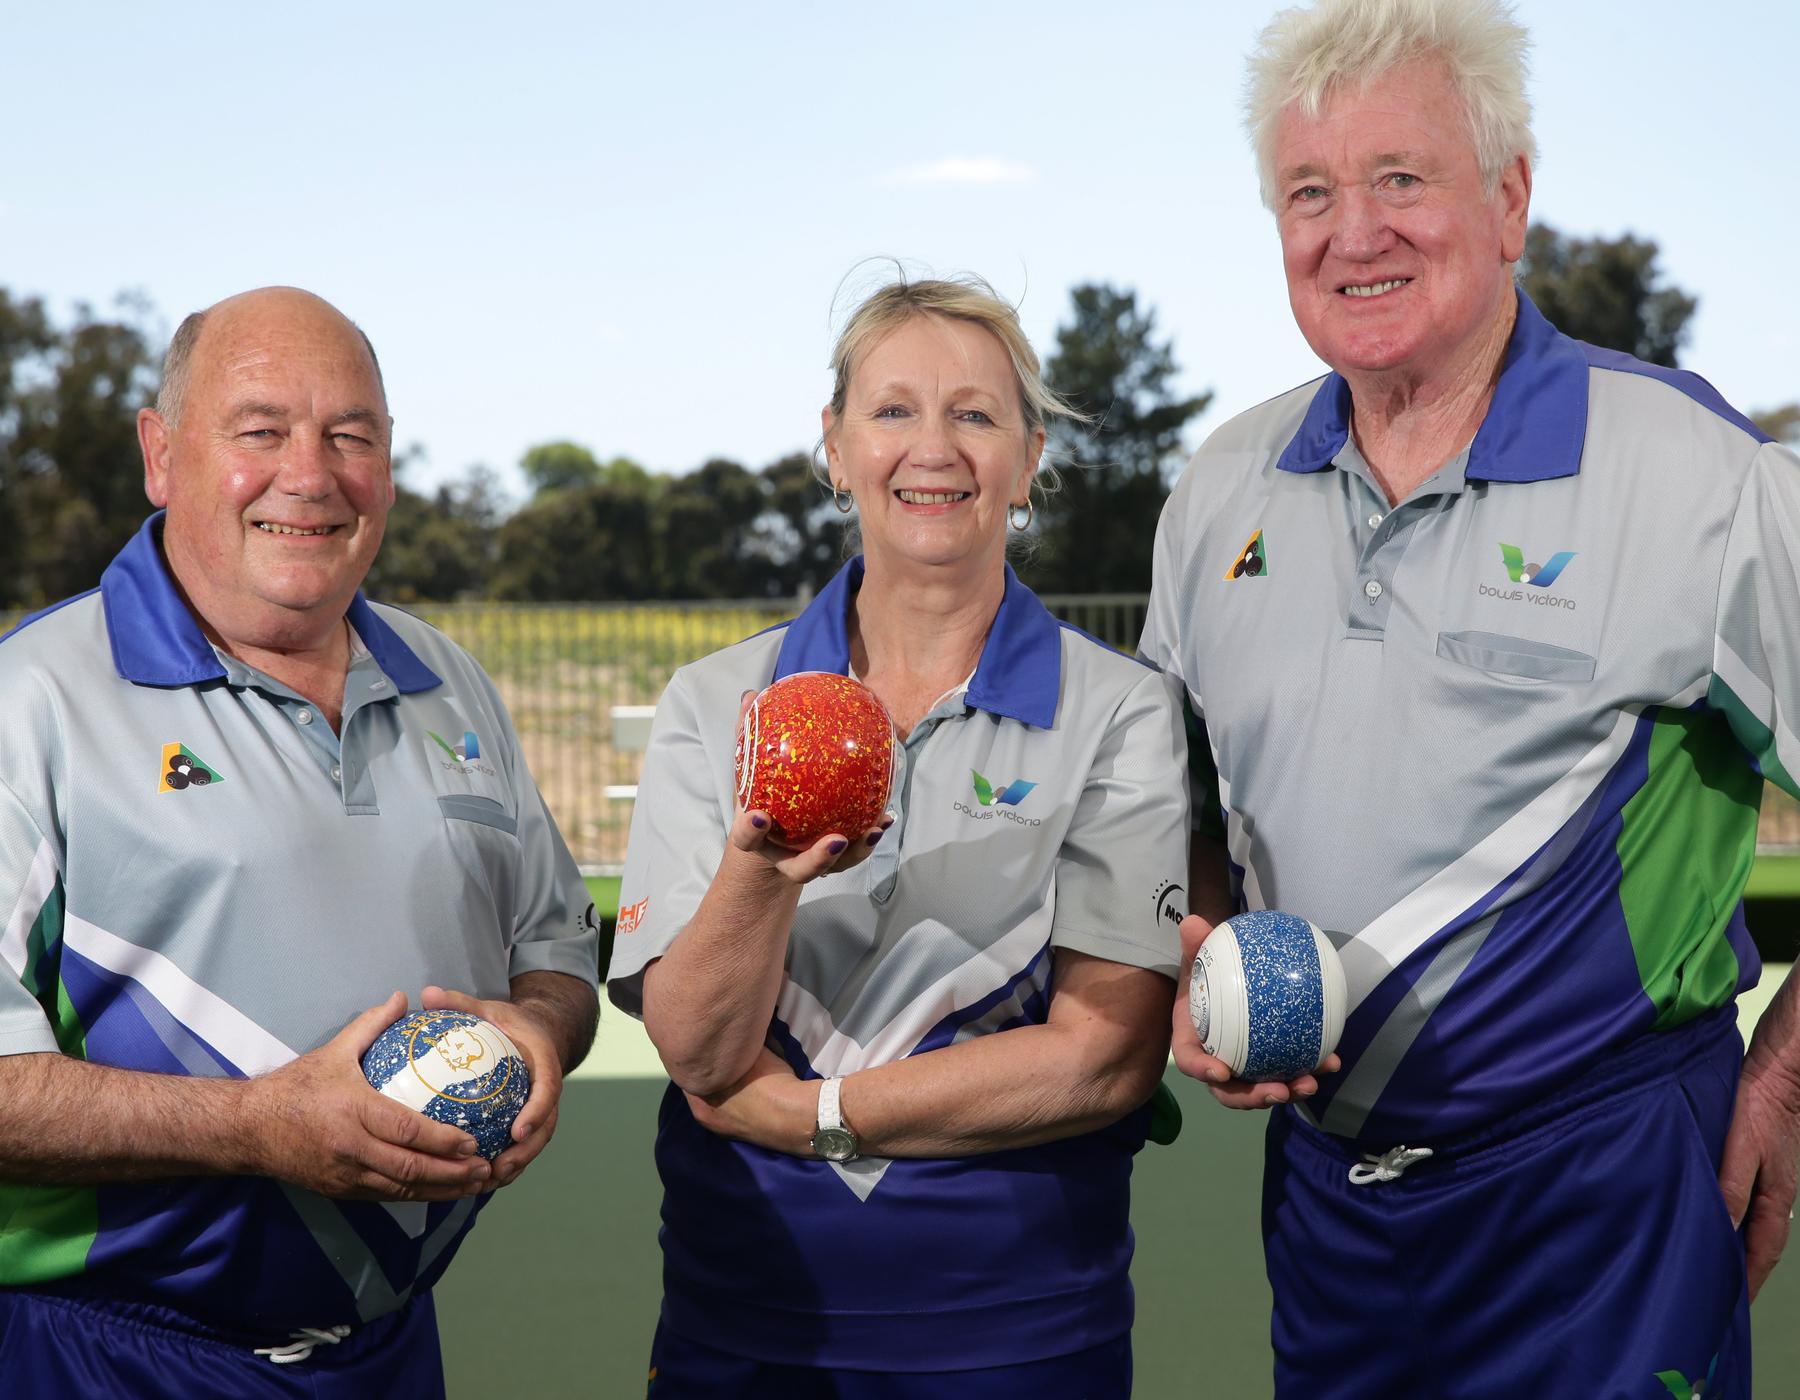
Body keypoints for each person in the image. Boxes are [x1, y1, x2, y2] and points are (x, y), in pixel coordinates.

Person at [1140, 1, 1800, 1394]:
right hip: (1331, 1218)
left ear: (1509, 200)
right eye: (1310, 192)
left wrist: (1792, 1063)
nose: (1353, 231)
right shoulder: (1214, 497)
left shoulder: (1698, 474)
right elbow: (1174, 818)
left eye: (1401, 179)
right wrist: (1196, 953)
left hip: (1606, 1211)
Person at [0, 287, 601, 1397]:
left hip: (389, 1353)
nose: (311, 474)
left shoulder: (450, 680)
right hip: (96, 1354)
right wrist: (253, 1125)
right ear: (162, 452)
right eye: (262, 429)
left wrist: (540, 1030)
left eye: (351, 436)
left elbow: (555, 952)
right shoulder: (31, 701)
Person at [607, 275, 1189, 1397]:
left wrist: (815, 1113)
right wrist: (755, 876)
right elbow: (696, 1051)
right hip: (747, 1317)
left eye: (975, 414)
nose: (935, 447)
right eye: (893, 411)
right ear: (834, 447)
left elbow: (1104, 1055)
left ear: (1027, 459)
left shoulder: (1122, 707)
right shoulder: (714, 698)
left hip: (1019, 1331)